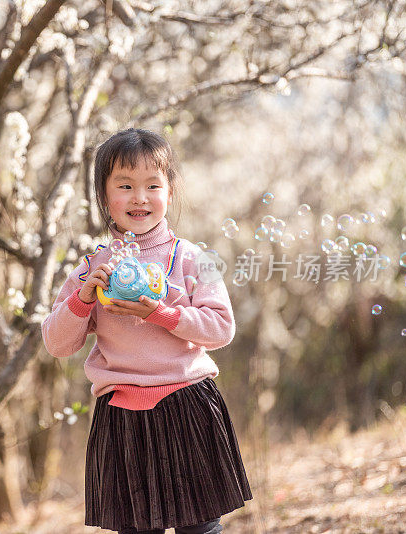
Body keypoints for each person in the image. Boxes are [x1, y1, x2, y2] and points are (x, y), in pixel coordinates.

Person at [41, 128, 252, 534]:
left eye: (152, 185)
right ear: (104, 197)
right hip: (123, 418)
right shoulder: (92, 269)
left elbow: (221, 328)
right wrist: (84, 299)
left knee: (200, 529)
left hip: (188, 405)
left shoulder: (194, 258)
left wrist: (160, 313)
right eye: (125, 185)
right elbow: (57, 343)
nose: (140, 197)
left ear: (169, 192)